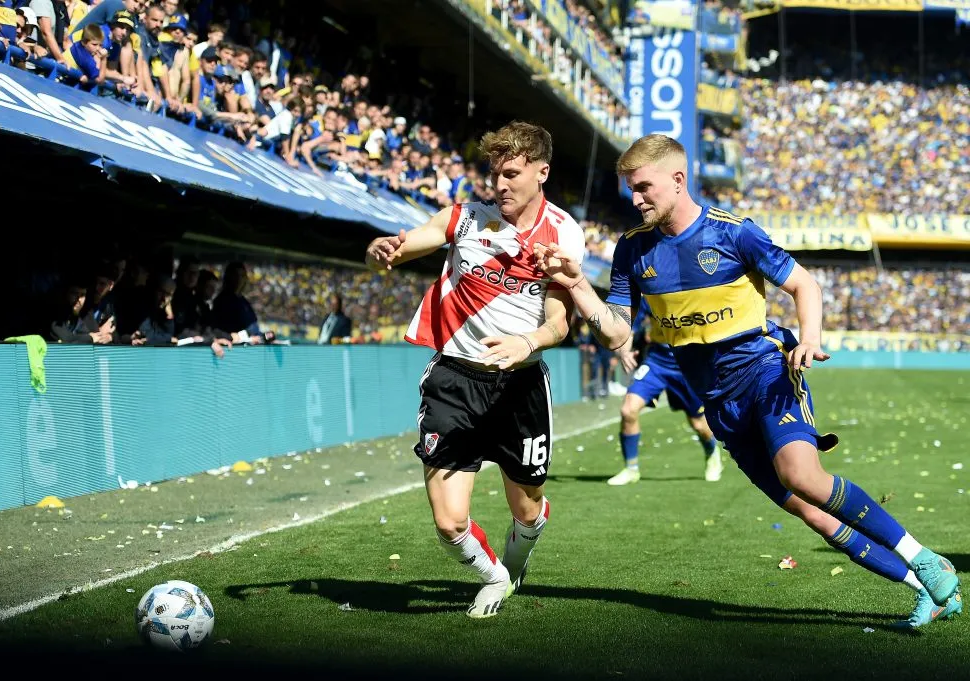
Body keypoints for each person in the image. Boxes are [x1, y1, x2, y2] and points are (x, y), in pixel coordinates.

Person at [534, 134, 961, 629]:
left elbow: (804, 283)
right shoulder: (632, 250)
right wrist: (578, 285)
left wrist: (808, 338)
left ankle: (924, 556)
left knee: (802, 476)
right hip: (718, 403)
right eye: (632, 190)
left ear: (678, 179)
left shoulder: (733, 233)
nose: (637, 199)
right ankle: (927, 589)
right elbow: (615, 334)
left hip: (766, 373)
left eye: (644, 187)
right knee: (814, 514)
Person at [364, 121, 584, 619]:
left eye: (511, 173)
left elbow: (559, 321)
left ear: (541, 172)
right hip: (455, 381)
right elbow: (399, 247)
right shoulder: (464, 219)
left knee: (527, 512)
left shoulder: (562, 233)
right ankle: (495, 576)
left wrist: (526, 340)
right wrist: (379, 250)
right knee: (448, 522)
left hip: (521, 383)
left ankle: (518, 553)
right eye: (494, 173)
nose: (500, 184)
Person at [608, 297, 723, 485]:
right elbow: (629, 327)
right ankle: (631, 469)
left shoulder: (695, 290)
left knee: (700, 426)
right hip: (657, 363)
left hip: (688, 366)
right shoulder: (649, 292)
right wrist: (625, 351)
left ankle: (711, 452)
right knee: (628, 410)